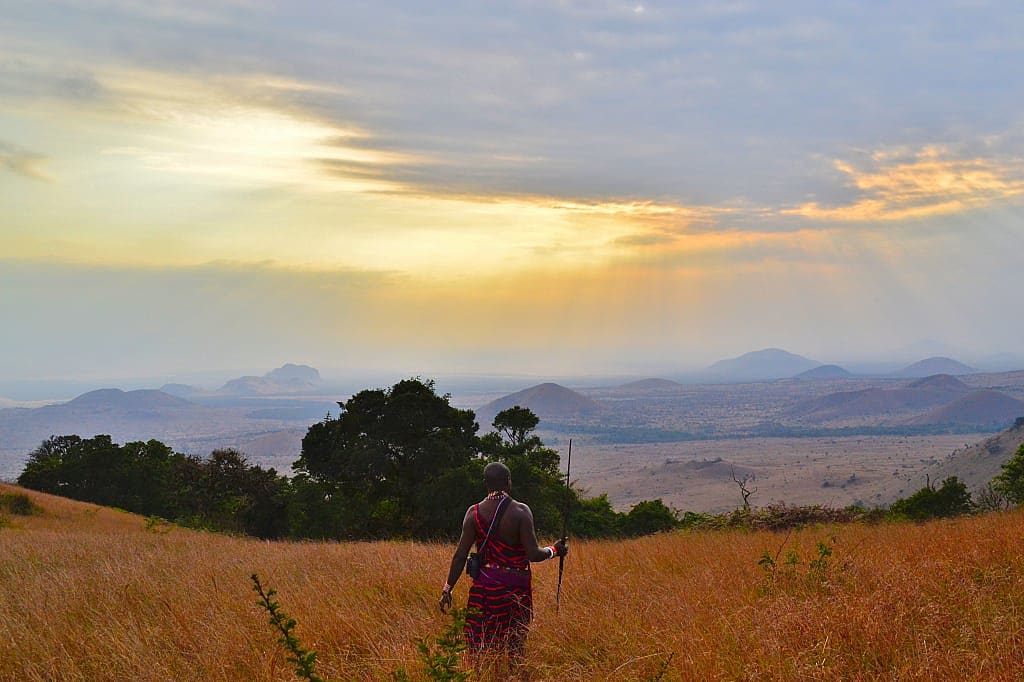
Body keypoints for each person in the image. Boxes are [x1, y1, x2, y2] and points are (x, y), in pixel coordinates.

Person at [439, 461, 568, 656]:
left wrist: (448, 589)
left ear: (486, 483)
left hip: (484, 589)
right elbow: (533, 554)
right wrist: (554, 550)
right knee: (515, 644)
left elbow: (459, 556)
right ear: (508, 482)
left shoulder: (473, 513)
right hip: (516, 590)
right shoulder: (521, 511)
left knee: (479, 644)